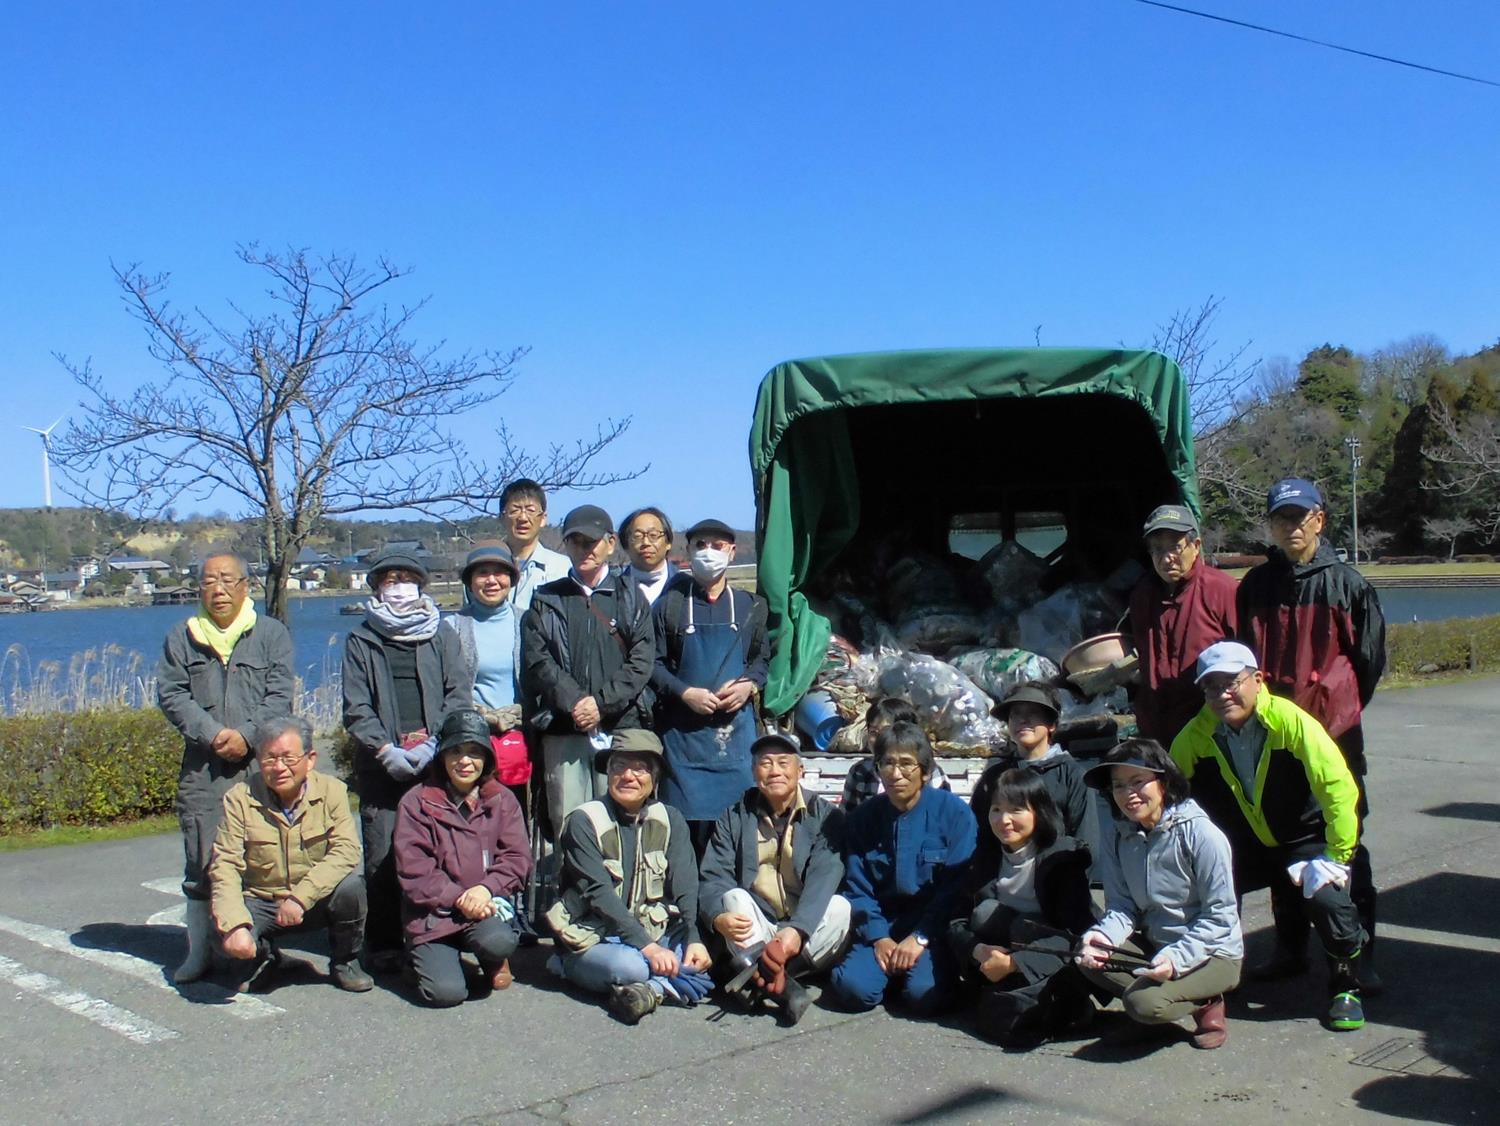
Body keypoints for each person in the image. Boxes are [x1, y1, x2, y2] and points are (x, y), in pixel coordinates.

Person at [1171, 641, 1370, 1031]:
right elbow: (1171, 794)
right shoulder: (1196, 734)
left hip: (1304, 836)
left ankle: (1346, 983)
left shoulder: (1291, 721)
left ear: (1257, 680)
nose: (1222, 694)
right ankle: (1221, 973)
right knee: (1206, 889)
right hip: (1248, 841)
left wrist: (1337, 855)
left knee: (1328, 900)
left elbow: (1337, 787)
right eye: (1211, 687)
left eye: (1232, 682)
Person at [1237, 477, 1386, 988]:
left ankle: (1358, 953)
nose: (1290, 527)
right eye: (1281, 519)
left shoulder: (1348, 584)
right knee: (1283, 844)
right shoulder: (1254, 587)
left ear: (1319, 519)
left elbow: (1368, 663)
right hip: (1274, 740)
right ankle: (1290, 948)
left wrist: (1333, 708)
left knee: (1347, 845)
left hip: (1336, 738)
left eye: (1299, 518)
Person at [157, 551, 295, 984]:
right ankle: (199, 952)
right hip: (204, 766)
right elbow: (172, 695)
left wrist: (248, 735)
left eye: (226, 580)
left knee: (263, 857)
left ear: (244, 585)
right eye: (208, 581)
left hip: (260, 765)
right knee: (202, 859)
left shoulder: (270, 633)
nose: (217, 589)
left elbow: (279, 695)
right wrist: (213, 734)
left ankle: (263, 948)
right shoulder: (183, 636)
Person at [343, 547, 471, 973]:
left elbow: (457, 693)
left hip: (434, 761)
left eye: (406, 577)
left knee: (439, 848)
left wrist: (435, 744)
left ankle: (438, 932)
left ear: (421, 584)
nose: (398, 586)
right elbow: (355, 705)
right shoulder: (362, 638)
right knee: (382, 853)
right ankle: (382, 942)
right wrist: (385, 749)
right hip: (381, 766)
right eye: (389, 579)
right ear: (377, 586)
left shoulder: (442, 634)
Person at [1077, 739, 1242, 1050]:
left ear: (1164, 781)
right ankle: (1159, 1000)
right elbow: (1122, 906)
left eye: (1138, 781)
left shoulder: (1203, 835)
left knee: (1143, 1004)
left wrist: (1176, 959)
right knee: (1088, 959)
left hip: (1213, 953)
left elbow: (1221, 917)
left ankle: (1205, 1001)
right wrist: (1103, 938)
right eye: (1118, 786)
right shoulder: (1118, 833)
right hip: (1157, 943)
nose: (1128, 794)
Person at [545, 730, 712, 1024]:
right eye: (619, 766)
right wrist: (649, 948)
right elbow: (598, 893)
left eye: (641, 768)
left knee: (706, 951)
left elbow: (686, 884)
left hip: (651, 930)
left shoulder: (670, 819)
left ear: (655, 778)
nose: (628, 776)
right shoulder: (584, 820)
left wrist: (694, 937)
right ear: (608, 772)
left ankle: (650, 991)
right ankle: (568, 966)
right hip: (594, 936)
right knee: (633, 967)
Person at [209, 716, 372, 993]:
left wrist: (300, 897)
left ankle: (346, 960)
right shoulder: (239, 798)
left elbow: (345, 851)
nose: (279, 767)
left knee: (352, 887)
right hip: (262, 900)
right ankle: (266, 959)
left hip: (312, 900)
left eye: (288, 758)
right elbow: (225, 863)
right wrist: (234, 924)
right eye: (270, 759)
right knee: (224, 930)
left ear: (310, 759)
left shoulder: (333, 791)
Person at [698, 732, 851, 1025]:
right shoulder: (734, 816)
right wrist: (717, 917)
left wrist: (797, 930)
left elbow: (824, 877)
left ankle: (756, 975)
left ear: (800, 771)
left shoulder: (826, 816)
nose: (775, 771)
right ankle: (786, 988)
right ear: (754, 772)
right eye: (766, 763)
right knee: (732, 898)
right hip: (760, 925)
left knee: (840, 907)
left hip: (802, 933)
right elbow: (713, 875)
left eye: (784, 762)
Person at [522, 504, 656, 832]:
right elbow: (538, 660)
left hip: (620, 728)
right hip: (563, 731)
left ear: (610, 543)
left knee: (621, 821)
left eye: (592, 541)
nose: (584, 549)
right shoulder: (546, 600)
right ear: (565, 545)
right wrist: (575, 702)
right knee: (568, 823)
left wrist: (601, 703)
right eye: (576, 541)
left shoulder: (630, 598)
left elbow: (641, 661)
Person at [830, 722, 977, 1016]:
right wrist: (878, 937)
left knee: (926, 997)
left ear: (925, 771)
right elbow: (857, 886)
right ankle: (889, 972)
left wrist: (921, 937)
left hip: (931, 927)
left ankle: (912, 975)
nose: (896, 774)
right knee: (852, 990)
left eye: (907, 764)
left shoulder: (955, 814)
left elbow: (956, 889)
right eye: (887, 763)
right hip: (882, 924)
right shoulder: (864, 818)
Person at [394, 709, 532, 1007]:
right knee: (446, 994)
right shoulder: (416, 802)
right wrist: (459, 898)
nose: (465, 761)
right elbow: (415, 871)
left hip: (484, 906)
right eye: (456, 751)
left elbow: (517, 857)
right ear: (442, 756)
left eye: (474, 752)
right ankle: (420, 959)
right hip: (433, 914)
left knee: (500, 941)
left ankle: (492, 957)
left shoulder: (503, 800)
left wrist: (486, 890)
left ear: (487, 759)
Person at [948, 769, 1095, 1048]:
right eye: (996, 809)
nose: (1004, 820)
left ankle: (1070, 1003)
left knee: (1003, 1016)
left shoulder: (1062, 858)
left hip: (1057, 956)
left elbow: (1074, 933)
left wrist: (1015, 963)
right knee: (984, 913)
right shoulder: (985, 857)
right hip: (1004, 951)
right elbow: (956, 919)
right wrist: (976, 950)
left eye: (1016, 810)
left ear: (1038, 811)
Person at [651, 517, 769, 848]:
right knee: (685, 840)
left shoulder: (751, 607)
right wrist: (684, 692)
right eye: (700, 545)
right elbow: (652, 665)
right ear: (687, 551)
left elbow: (762, 660)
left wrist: (748, 685)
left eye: (717, 546)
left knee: (736, 833)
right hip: (683, 742)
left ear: (732, 552)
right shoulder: (669, 606)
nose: (708, 552)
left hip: (735, 740)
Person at [1127, 503, 1239, 745]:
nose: (1167, 558)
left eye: (1175, 547)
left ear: (1195, 546)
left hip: (1211, 727)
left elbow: (1247, 661)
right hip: (1157, 728)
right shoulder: (1142, 595)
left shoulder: (1222, 590)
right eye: (1157, 549)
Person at [968, 682, 1097, 858]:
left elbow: (1086, 840)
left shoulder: (1071, 774)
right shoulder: (995, 775)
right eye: (1015, 715)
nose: (1023, 720)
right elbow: (978, 832)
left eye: (1033, 713)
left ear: (1052, 725)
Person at [447, 543, 530, 812]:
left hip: (519, 736)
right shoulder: (451, 627)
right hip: (471, 740)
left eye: (500, 573)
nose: (492, 580)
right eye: (483, 573)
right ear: (470, 581)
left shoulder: (528, 622)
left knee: (514, 819)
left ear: (511, 579)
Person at [840, 697, 951, 812]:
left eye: (886, 732)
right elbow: (848, 820)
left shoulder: (930, 772)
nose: (878, 740)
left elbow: (942, 820)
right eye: (873, 732)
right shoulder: (861, 772)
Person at [499, 478, 571, 615]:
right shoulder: (484, 569)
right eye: (515, 510)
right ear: (501, 518)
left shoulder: (563, 568)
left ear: (543, 518)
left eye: (530, 510)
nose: (523, 518)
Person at [619, 506, 678, 606]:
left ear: (668, 542)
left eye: (653, 535)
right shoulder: (613, 592)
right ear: (626, 544)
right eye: (637, 536)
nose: (646, 542)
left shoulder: (686, 588)